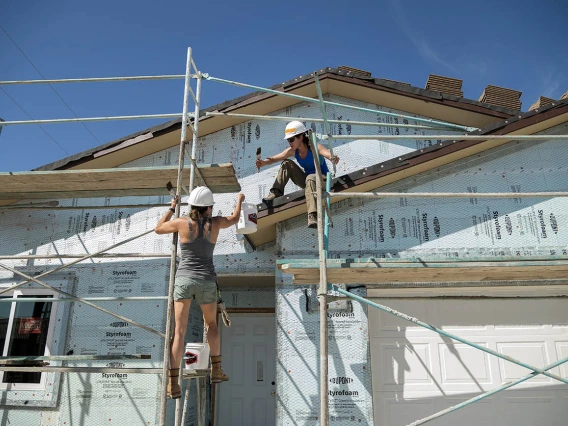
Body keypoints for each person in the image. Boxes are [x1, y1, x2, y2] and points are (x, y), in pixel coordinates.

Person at [155, 186, 245, 399]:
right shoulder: (215, 223)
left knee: (179, 332)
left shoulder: (181, 223)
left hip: (184, 279)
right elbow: (234, 219)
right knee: (211, 325)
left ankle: (172, 383)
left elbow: (158, 229)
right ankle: (216, 370)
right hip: (206, 280)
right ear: (207, 208)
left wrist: (171, 208)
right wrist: (240, 199)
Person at [255, 120, 339, 228]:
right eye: (288, 140)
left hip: (323, 181)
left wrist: (333, 158)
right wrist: (263, 163)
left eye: (291, 139)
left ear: (301, 137)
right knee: (286, 164)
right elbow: (275, 158)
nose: (289, 143)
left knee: (310, 177)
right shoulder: (293, 151)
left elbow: (328, 154)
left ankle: (312, 215)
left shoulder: (314, 147)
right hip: (309, 182)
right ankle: (276, 192)